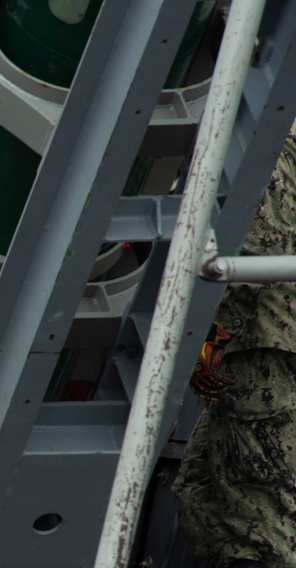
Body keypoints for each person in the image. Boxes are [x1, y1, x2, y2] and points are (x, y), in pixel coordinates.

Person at [173, 125, 296, 567]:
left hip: (265, 355)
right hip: (258, 355)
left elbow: (253, 257)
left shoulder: (266, 144)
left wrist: (206, 348)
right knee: (205, 498)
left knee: (260, 525)